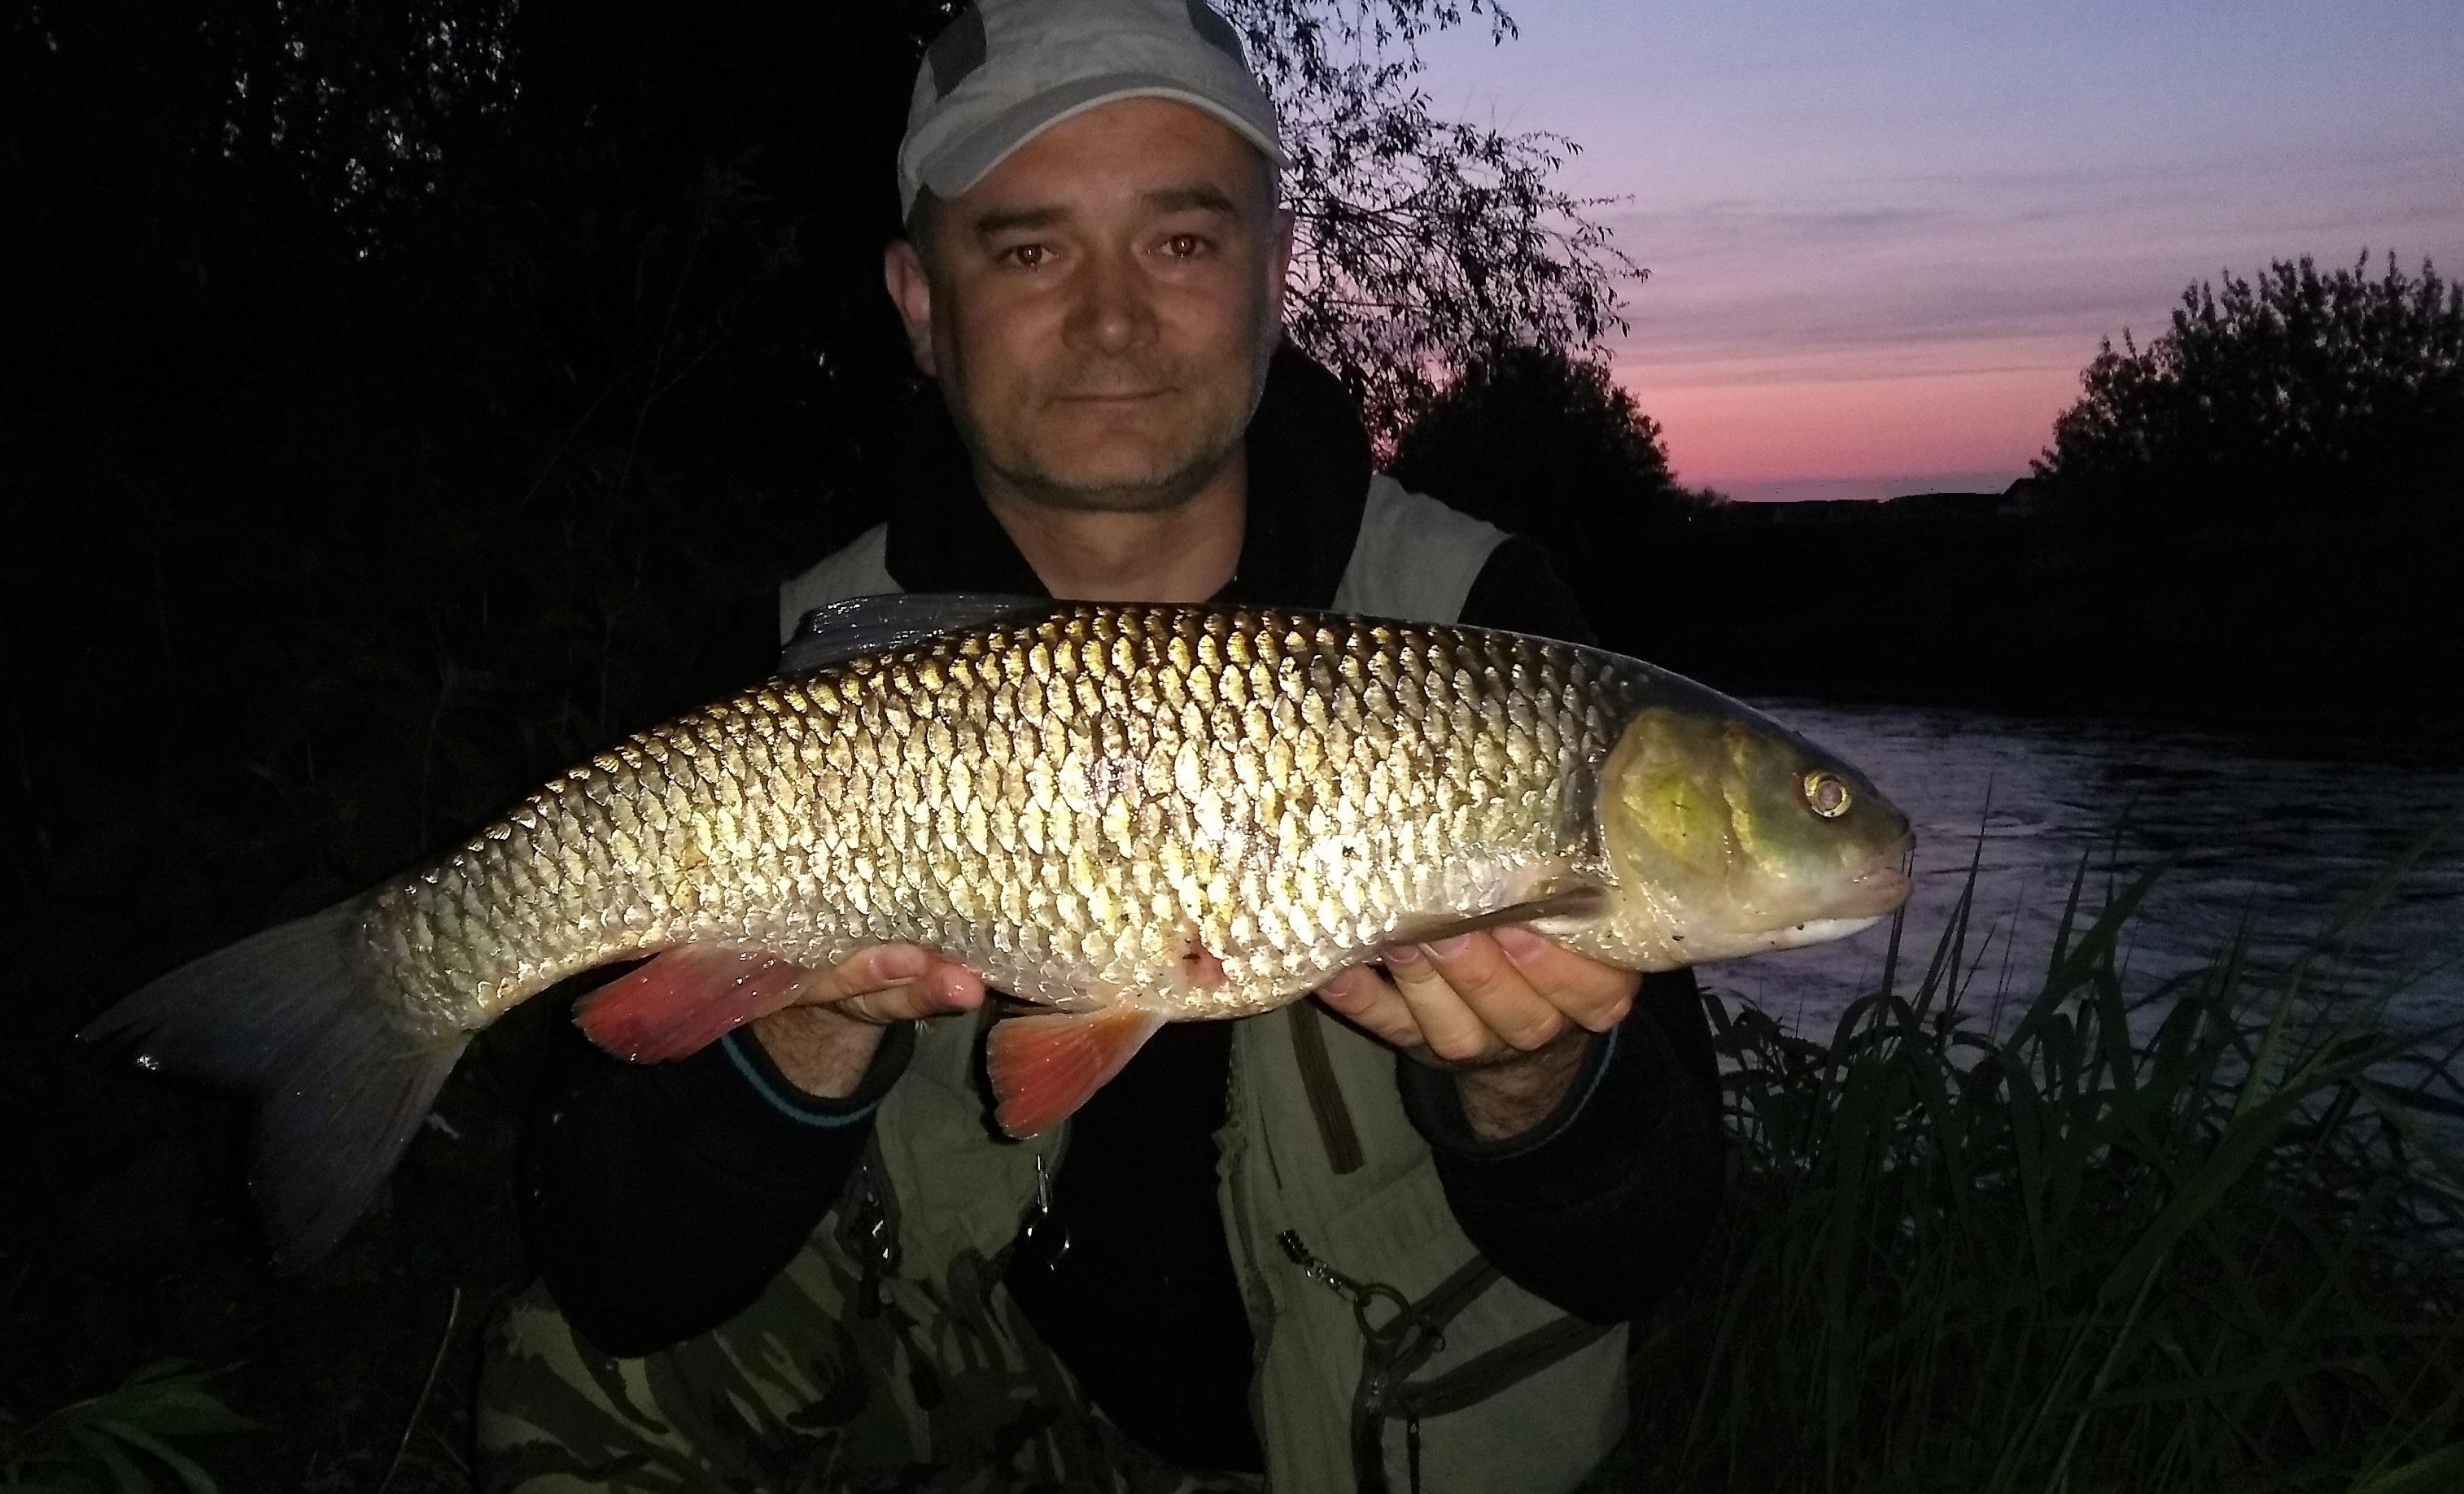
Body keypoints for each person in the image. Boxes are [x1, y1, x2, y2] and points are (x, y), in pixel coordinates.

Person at [477, 2, 1722, 1490]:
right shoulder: (801, 665)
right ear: (919, 303)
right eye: (1028, 251)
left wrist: (1533, 1087)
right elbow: (615, 1274)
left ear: (1274, 274)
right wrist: (798, 1031)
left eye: (1181, 241)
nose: (1114, 318)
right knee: (575, 1391)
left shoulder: (1487, 638)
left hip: (1349, 1427)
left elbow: (1647, 1251)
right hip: (959, 1370)